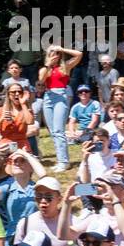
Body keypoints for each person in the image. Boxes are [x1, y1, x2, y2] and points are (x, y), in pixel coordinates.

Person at [39, 43, 86, 171]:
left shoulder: (65, 67)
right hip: (48, 96)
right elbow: (41, 80)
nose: (55, 55)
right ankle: (61, 160)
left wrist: (62, 49)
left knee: (59, 130)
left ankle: (64, 162)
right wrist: (48, 64)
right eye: (52, 53)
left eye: (57, 53)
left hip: (61, 95)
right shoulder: (45, 68)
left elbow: (79, 54)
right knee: (53, 131)